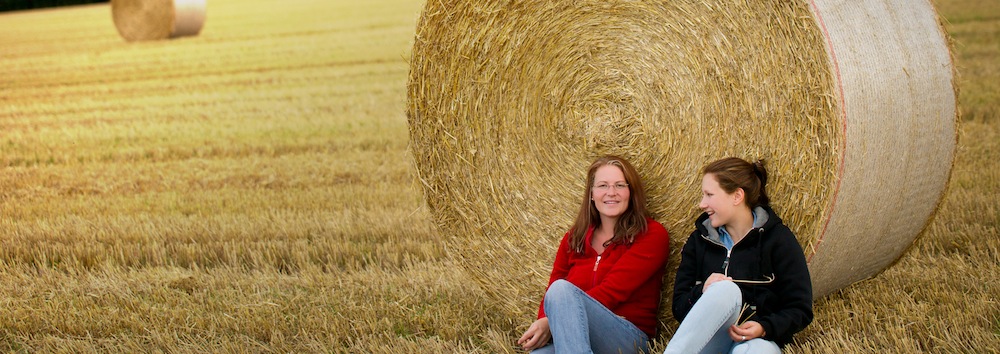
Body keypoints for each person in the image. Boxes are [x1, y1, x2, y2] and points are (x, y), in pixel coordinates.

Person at [517, 155, 671, 353]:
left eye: (620, 185)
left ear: (631, 192)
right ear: (591, 194)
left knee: (561, 291)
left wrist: (552, 320)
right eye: (603, 186)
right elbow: (551, 291)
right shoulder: (574, 239)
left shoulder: (651, 234)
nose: (611, 193)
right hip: (572, 335)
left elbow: (612, 291)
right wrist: (545, 320)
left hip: (625, 337)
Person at [664, 157, 813, 354]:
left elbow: (800, 309)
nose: (702, 204)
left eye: (709, 195)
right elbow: (679, 307)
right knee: (724, 289)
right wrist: (702, 292)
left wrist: (764, 327)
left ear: (737, 196)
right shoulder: (699, 241)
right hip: (709, 342)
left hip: (758, 341)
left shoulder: (778, 240)